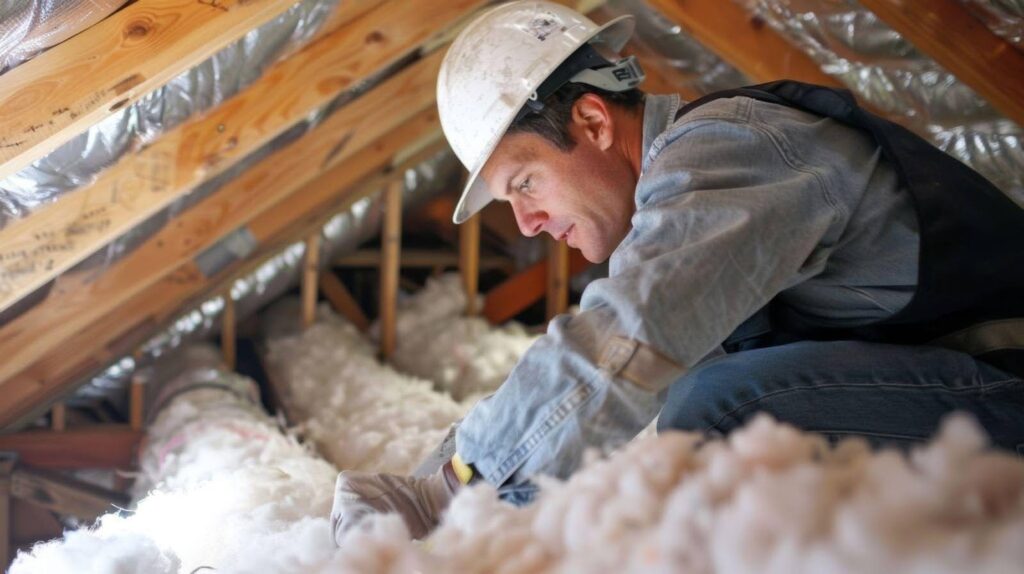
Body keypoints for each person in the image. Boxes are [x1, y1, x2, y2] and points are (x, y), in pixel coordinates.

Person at [330, 1, 1024, 543]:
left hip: (1007, 394)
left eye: (525, 184)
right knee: (696, 400)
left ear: (595, 122)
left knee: (724, 408)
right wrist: (428, 482)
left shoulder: (729, 153)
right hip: (963, 400)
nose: (527, 224)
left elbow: (621, 341)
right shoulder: (683, 196)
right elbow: (603, 372)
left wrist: (453, 493)